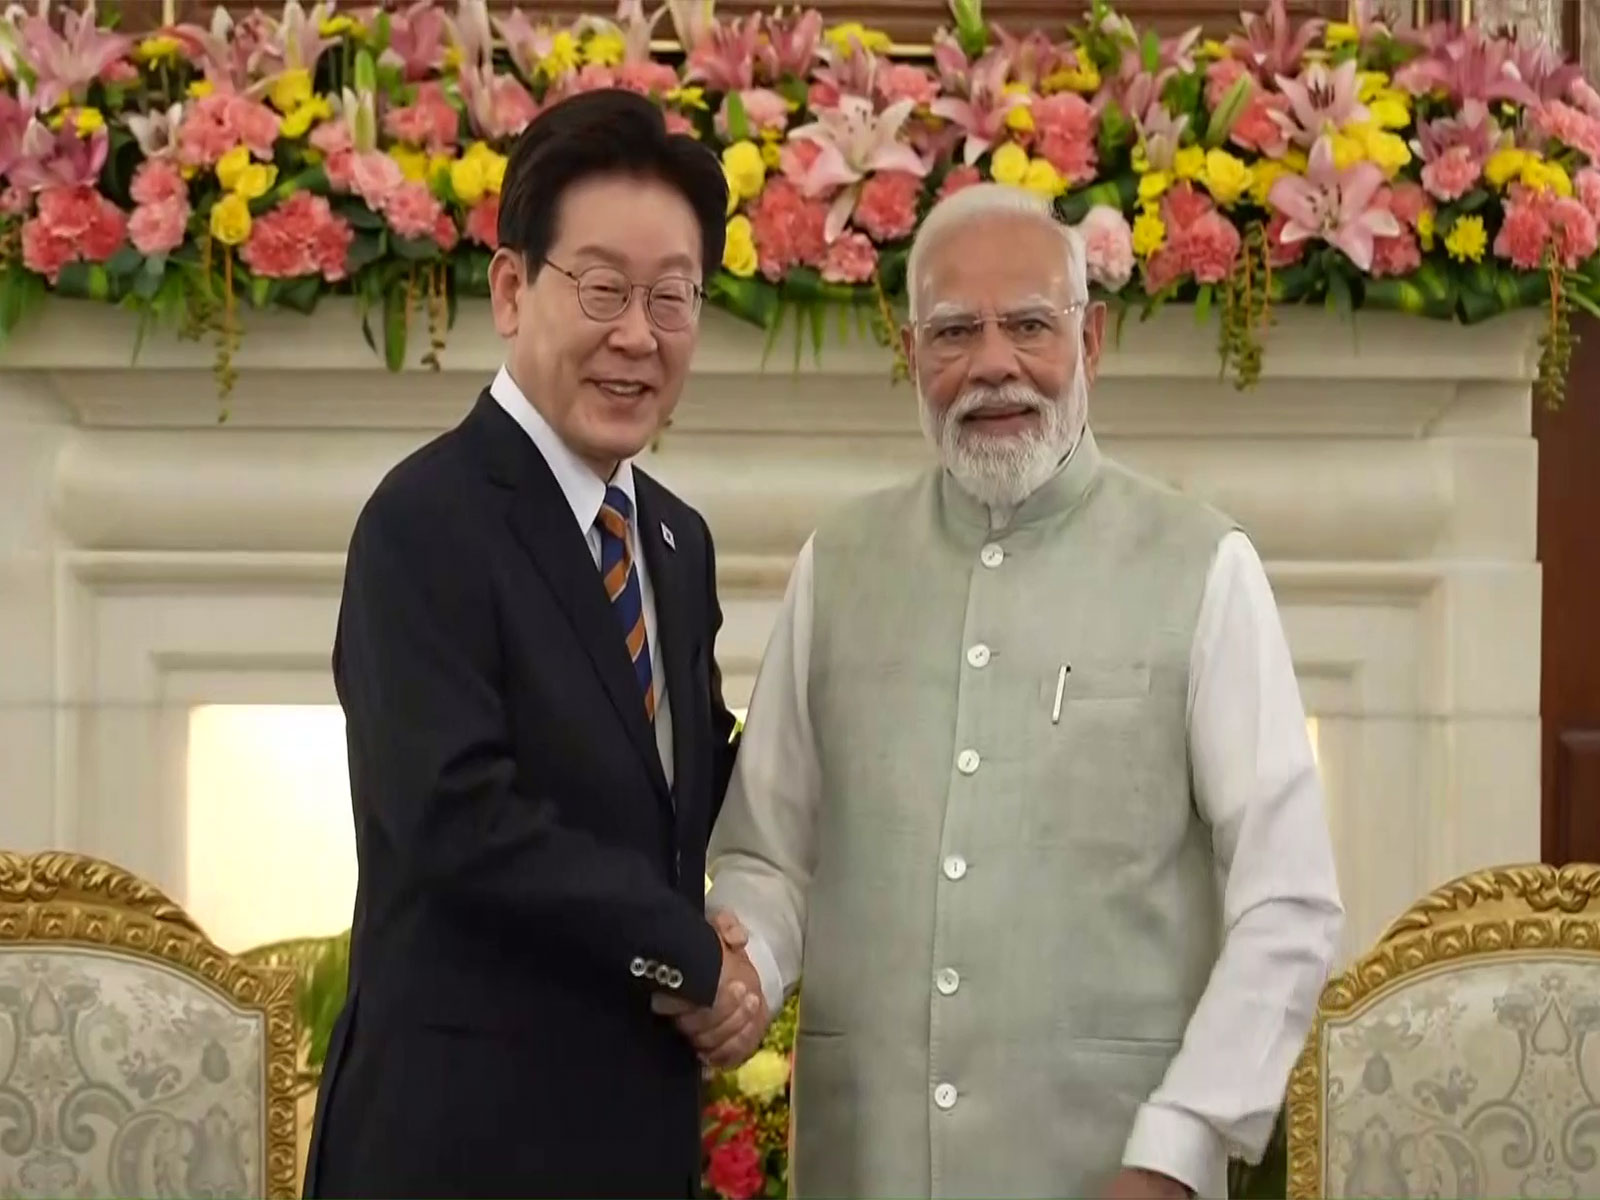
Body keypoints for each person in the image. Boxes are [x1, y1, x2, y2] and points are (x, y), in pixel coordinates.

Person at [695, 183, 1345, 1200]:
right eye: (954, 332)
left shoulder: (1202, 565)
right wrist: (745, 971)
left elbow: (1288, 897)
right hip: (863, 1167)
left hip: (1114, 1174)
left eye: (1029, 327)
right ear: (912, 357)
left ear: (1089, 345)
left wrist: (1181, 1146)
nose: (992, 364)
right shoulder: (840, 562)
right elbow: (769, 856)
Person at [303, 89, 767, 1200]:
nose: (638, 336)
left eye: (673, 297)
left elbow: (685, 778)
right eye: (603, 289)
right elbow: (459, 820)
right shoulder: (427, 519)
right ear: (512, 290)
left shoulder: (671, 537)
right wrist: (694, 958)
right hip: (458, 1146)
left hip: (632, 1138)